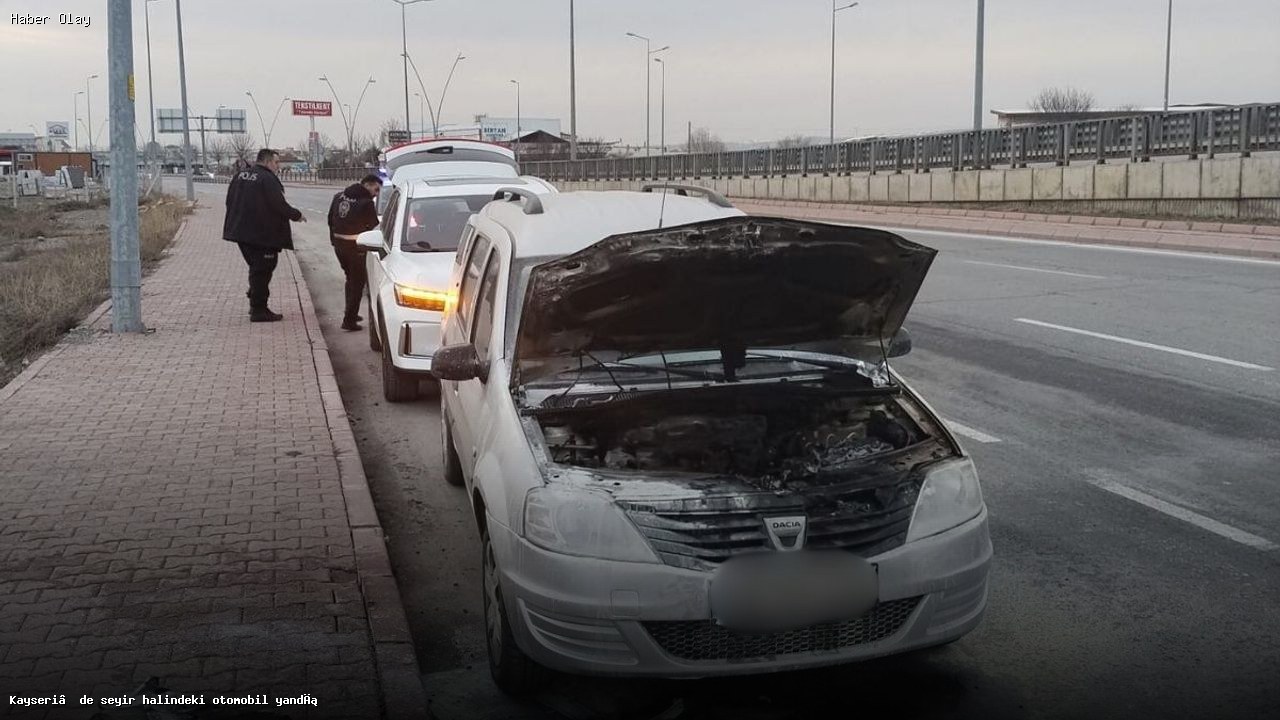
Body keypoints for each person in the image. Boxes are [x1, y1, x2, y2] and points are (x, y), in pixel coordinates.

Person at [223, 149, 306, 322]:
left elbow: (229, 200)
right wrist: (296, 215)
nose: (278, 166)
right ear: (267, 162)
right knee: (263, 267)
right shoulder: (267, 179)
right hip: (261, 233)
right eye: (276, 162)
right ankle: (258, 309)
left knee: (258, 266)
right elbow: (278, 204)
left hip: (239, 230)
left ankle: (255, 293)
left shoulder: (240, 176)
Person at [327, 174, 383, 331]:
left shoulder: (338, 196)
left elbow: (330, 219)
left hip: (339, 245)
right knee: (358, 282)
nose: (376, 194)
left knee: (350, 279)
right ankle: (349, 320)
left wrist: (334, 240)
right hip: (356, 247)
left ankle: (350, 311)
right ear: (367, 185)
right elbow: (372, 224)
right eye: (376, 189)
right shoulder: (366, 203)